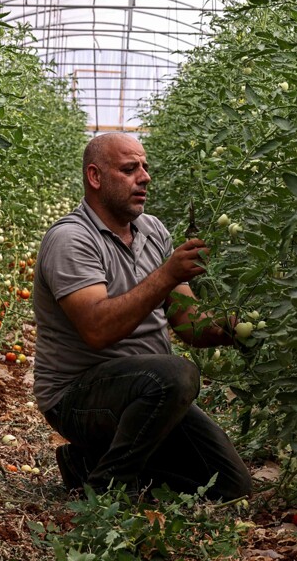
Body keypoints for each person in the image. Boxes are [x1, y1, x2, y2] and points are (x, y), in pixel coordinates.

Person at [31, 132, 253, 501]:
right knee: (175, 373)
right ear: (95, 177)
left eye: (145, 168)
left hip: (149, 391)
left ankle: (85, 464)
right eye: (130, 168)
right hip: (79, 396)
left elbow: (187, 323)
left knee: (230, 485)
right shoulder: (72, 239)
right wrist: (167, 274)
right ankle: (109, 486)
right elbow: (97, 329)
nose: (145, 177)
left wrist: (236, 328)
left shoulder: (153, 231)